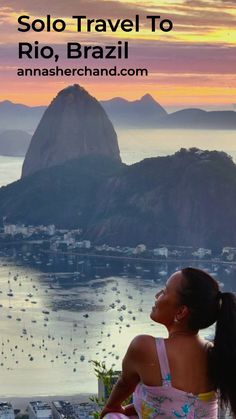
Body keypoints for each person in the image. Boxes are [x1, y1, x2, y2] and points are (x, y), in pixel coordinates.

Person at [100, 267, 236, 418]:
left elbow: (125, 384)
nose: (157, 295)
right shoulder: (214, 353)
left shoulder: (145, 348)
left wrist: (110, 407)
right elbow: (176, 404)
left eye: (164, 291)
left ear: (181, 312)